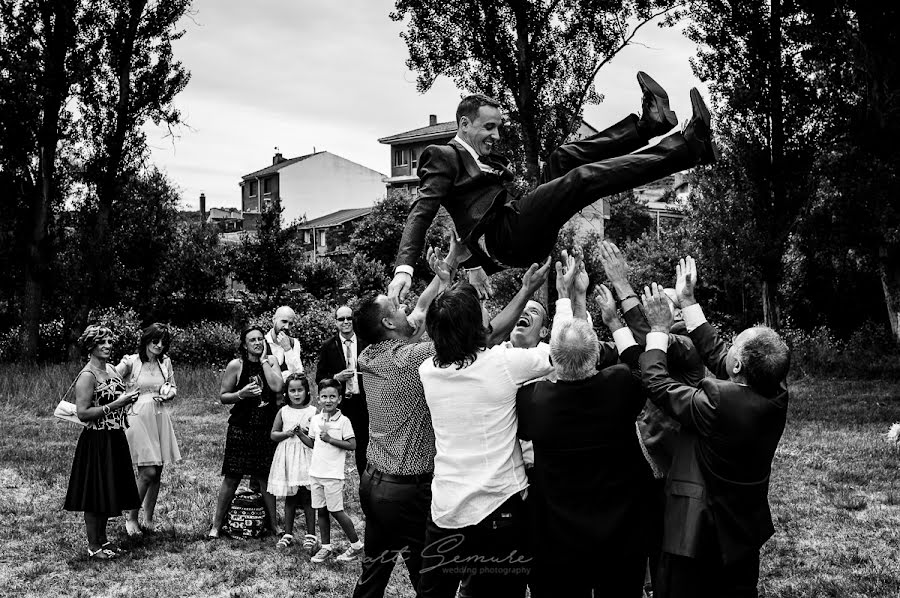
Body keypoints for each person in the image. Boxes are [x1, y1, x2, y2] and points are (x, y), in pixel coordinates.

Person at [388, 71, 718, 302]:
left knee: (562, 158)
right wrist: (404, 268)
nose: (496, 135)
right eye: (489, 127)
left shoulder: (479, 157)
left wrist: (472, 263)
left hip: (514, 223)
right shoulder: (441, 155)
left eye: (498, 127)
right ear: (464, 124)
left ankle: (650, 125)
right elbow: (423, 211)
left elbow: (460, 220)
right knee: (581, 181)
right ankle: (690, 147)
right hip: (507, 236)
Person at [350, 244, 549, 598]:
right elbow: (479, 336)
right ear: (387, 323)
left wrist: (447, 273)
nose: (407, 307)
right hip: (407, 490)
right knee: (430, 584)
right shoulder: (414, 362)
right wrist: (525, 290)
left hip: (373, 483)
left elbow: (426, 312)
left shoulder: (368, 355)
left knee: (374, 571)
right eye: (397, 307)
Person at [416, 250, 578, 597]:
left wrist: (447, 284)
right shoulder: (503, 364)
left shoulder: (428, 371)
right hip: (500, 510)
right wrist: (563, 298)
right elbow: (563, 350)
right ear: (477, 326)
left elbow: (462, 333)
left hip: (447, 510)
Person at [639, 258, 791, 598]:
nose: (729, 346)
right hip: (743, 532)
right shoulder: (777, 394)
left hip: (699, 533)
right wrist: (689, 301)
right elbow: (720, 353)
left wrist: (659, 332)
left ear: (738, 366)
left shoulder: (717, 403)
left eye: (734, 343)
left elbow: (659, 384)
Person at [516, 256, 653, 597]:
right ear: (597, 356)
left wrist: (570, 299)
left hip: (559, 541)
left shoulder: (535, 401)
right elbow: (643, 360)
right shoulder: (620, 384)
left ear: (552, 359)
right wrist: (603, 309)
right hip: (621, 535)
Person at [597, 240, 706, 595]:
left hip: (677, 472)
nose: (656, 310)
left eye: (664, 307)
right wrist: (613, 320)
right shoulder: (657, 352)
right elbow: (637, 358)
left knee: (669, 557)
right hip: (651, 466)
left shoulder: (686, 347)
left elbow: (648, 340)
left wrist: (623, 286)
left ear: (677, 317)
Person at [64, 325, 141, 560]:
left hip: (115, 436)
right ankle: (93, 544)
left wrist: (128, 399)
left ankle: (104, 539)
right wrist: (114, 405)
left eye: (109, 341)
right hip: (97, 439)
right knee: (95, 492)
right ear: (91, 346)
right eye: (102, 342)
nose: (107, 346)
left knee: (109, 488)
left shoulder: (110, 369)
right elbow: (83, 412)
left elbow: (115, 397)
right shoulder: (87, 376)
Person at [208, 326, 284, 539]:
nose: (258, 343)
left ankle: (273, 524)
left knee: (264, 476)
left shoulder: (271, 362)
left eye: (260, 339)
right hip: (241, 426)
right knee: (232, 476)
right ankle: (216, 524)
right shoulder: (236, 365)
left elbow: (277, 386)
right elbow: (224, 396)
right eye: (253, 340)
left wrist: (263, 363)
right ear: (244, 344)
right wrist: (241, 394)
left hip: (265, 426)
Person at [116, 323, 180, 537]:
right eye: (155, 341)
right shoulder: (131, 362)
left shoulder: (165, 362)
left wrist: (169, 393)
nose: (159, 345)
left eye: (163, 342)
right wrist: (121, 398)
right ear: (146, 340)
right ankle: (131, 518)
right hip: (137, 417)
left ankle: (149, 518)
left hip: (159, 416)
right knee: (147, 471)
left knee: (157, 471)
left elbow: (172, 386)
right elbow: (111, 380)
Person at [297, 378, 364, 563]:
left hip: (333, 475)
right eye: (324, 396)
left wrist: (331, 439)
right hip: (316, 473)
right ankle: (326, 547)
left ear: (339, 399)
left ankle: (356, 545)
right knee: (322, 511)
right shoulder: (316, 419)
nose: (328, 400)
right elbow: (312, 443)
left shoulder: (344, 421)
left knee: (336, 511)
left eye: (332, 396)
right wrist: (300, 434)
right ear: (318, 398)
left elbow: (352, 444)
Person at [316, 305, 369, 476]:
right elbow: (319, 378)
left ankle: (365, 486)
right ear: (336, 322)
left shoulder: (366, 342)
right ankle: (331, 482)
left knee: (364, 446)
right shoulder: (328, 346)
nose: (346, 322)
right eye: (341, 319)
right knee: (333, 445)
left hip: (363, 402)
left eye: (349, 318)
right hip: (339, 404)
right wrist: (336, 377)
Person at [268, 373, 318, 552]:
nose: (296, 394)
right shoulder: (284, 411)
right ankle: (287, 533)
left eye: (300, 390)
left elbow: (317, 437)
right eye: (292, 390)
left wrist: (305, 432)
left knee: (307, 496)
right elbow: (273, 434)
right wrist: (288, 433)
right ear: (286, 393)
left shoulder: (313, 412)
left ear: (306, 391)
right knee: (291, 496)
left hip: (306, 456)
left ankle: (311, 534)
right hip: (288, 456)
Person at [265, 306, 305, 380]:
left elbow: (298, 375)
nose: (286, 327)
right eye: (284, 321)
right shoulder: (263, 342)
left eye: (290, 324)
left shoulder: (294, 343)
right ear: (273, 320)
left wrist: (288, 349)